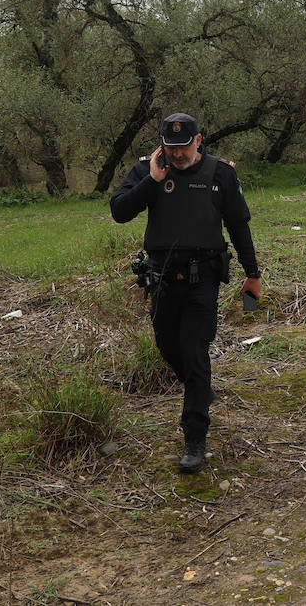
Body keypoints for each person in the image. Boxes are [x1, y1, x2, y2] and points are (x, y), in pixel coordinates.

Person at [110, 112, 262, 473]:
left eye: (183, 147)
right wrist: (152, 181)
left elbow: (239, 226)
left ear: (198, 140)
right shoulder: (149, 169)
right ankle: (200, 389)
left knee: (195, 353)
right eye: (170, 147)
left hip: (202, 278)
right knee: (167, 346)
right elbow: (119, 211)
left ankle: (194, 438)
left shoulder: (221, 173)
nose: (177, 155)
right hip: (161, 278)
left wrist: (252, 274)